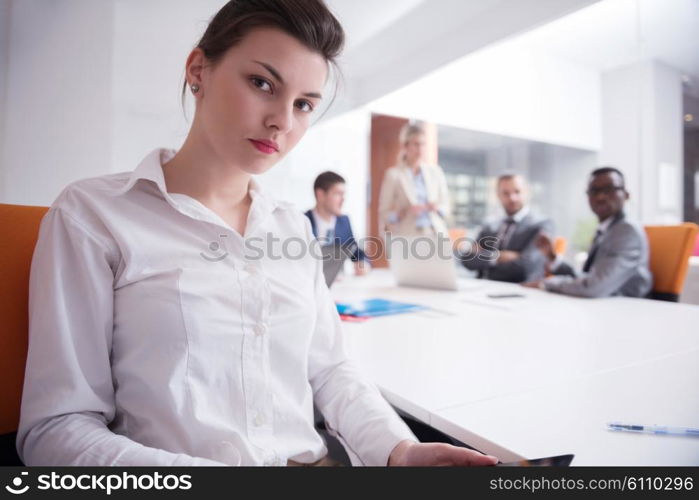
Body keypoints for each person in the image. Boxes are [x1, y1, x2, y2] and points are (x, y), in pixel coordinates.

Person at [17, 0, 497, 467]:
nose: (283, 122)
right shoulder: (95, 216)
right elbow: (56, 431)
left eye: (304, 104)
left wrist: (399, 451)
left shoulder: (291, 227)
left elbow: (330, 370)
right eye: (262, 83)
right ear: (198, 70)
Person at [523, 167, 652, 298]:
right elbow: (588, 278)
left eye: (609, 189)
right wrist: (554, 258)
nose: (600, 197)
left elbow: (593, 286)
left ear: (626, 195)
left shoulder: (626, 231)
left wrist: (547, 283)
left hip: (626, 309)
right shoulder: (607, 229)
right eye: (594, 191)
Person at [458, 174, 552, 283]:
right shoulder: (490, 225)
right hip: (481, 287)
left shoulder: (541, 225)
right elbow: (467, 259)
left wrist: (484, 258)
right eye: (506, 193)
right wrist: (498, 257)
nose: (512, 198)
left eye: (517, 192)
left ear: (527, 192)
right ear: (498, 195)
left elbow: (525, 268)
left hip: (518, 289)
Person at [377, 122, 451, 237]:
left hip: (435, 233)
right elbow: (383, 213)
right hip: (408, 235)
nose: (420, 148)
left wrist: (436, 208)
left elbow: (446, 207)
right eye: (416, 144)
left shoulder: (435, 172)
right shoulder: (393, 175)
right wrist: (401, 214)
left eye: (423, 144)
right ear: (405, 146)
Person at [304, 171, 370, 276]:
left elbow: (355, 251)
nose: (343, 200)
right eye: (338, 194)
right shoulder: (302, 221)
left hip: (338, 286)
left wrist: (363, 263)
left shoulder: (343, 221)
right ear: (320, 195)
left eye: (343, 194)